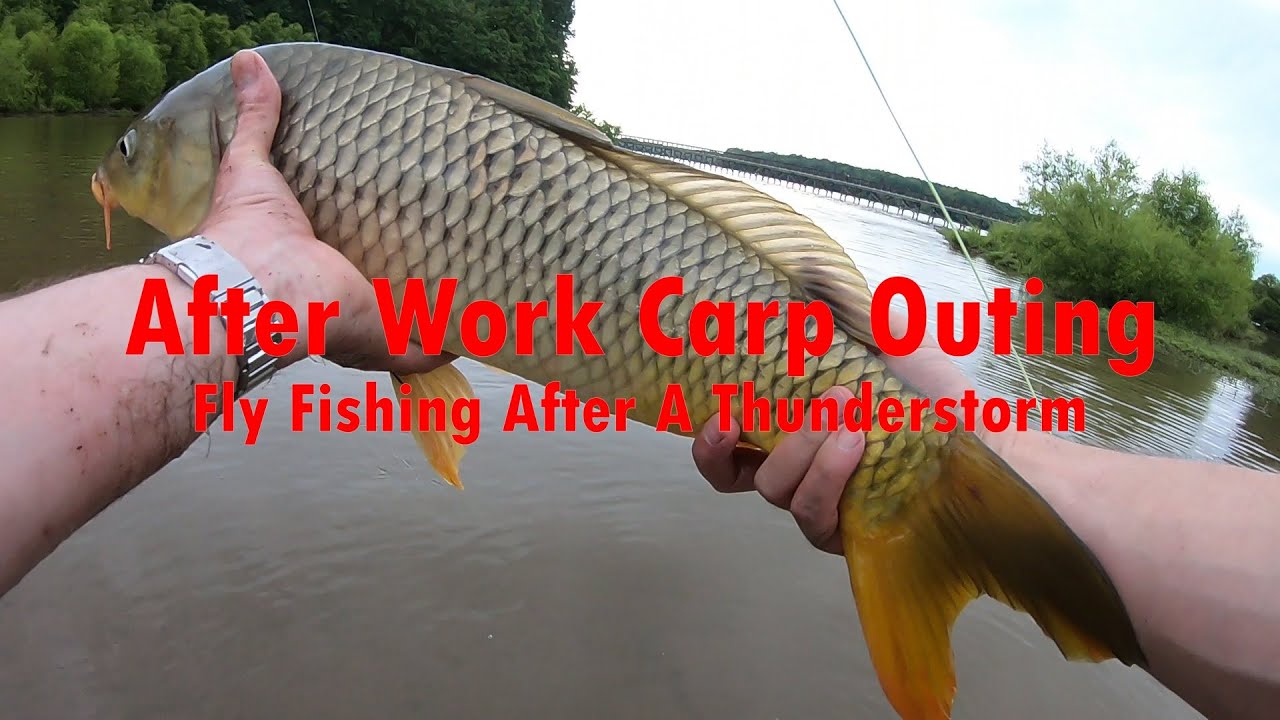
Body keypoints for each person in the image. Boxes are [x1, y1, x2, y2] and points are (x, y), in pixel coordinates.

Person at [0, 49, 1275, 720]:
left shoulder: (270, 134)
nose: (117, 172)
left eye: (130, 155)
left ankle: (941, 494)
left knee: (890, 456)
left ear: (226, 146)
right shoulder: (310, 142)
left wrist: (239, 284)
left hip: (682, 300)